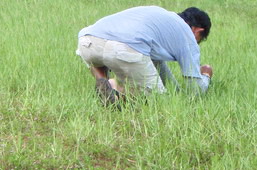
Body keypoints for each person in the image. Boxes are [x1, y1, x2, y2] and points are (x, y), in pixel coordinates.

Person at [76, 6, 213, 106]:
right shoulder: (187, 34)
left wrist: (175, 91)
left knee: (134, 72)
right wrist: (206, 75)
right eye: (200, 39)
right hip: (121, 48)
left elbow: (158, 67)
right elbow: (195, 90)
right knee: (162, 103)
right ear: (197, 31)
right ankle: (116, 93)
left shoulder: (162, 18)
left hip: (87, 43)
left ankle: (106, 82)